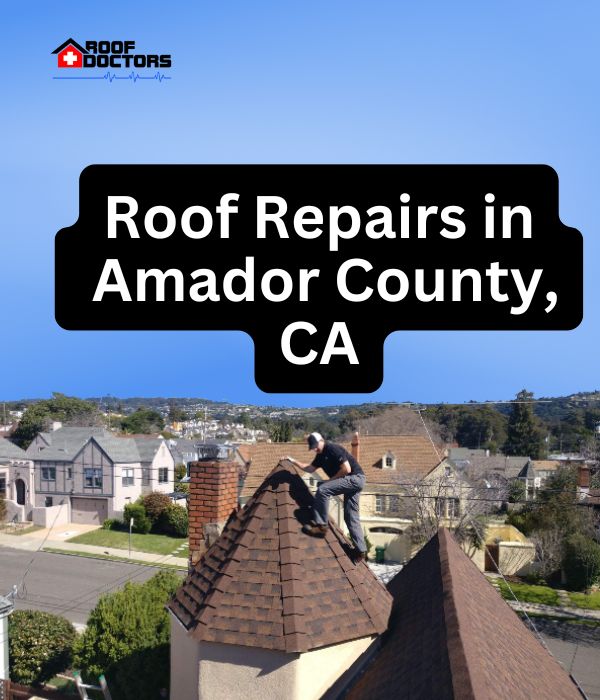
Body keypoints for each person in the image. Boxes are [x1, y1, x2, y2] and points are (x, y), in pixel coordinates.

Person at [287, 432, 367, 562]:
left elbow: (346, 469)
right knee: (350, 516)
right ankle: (360, 551)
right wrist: (292, 461)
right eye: (312, 447)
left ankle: (321, 526)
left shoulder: (332, 448)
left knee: (323, 489)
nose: (315, 449)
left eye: (315, 446)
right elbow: (309, 468)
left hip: (355, 478)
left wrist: (330, 481)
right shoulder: (320, 456)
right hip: (354, 481)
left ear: (321, 440)